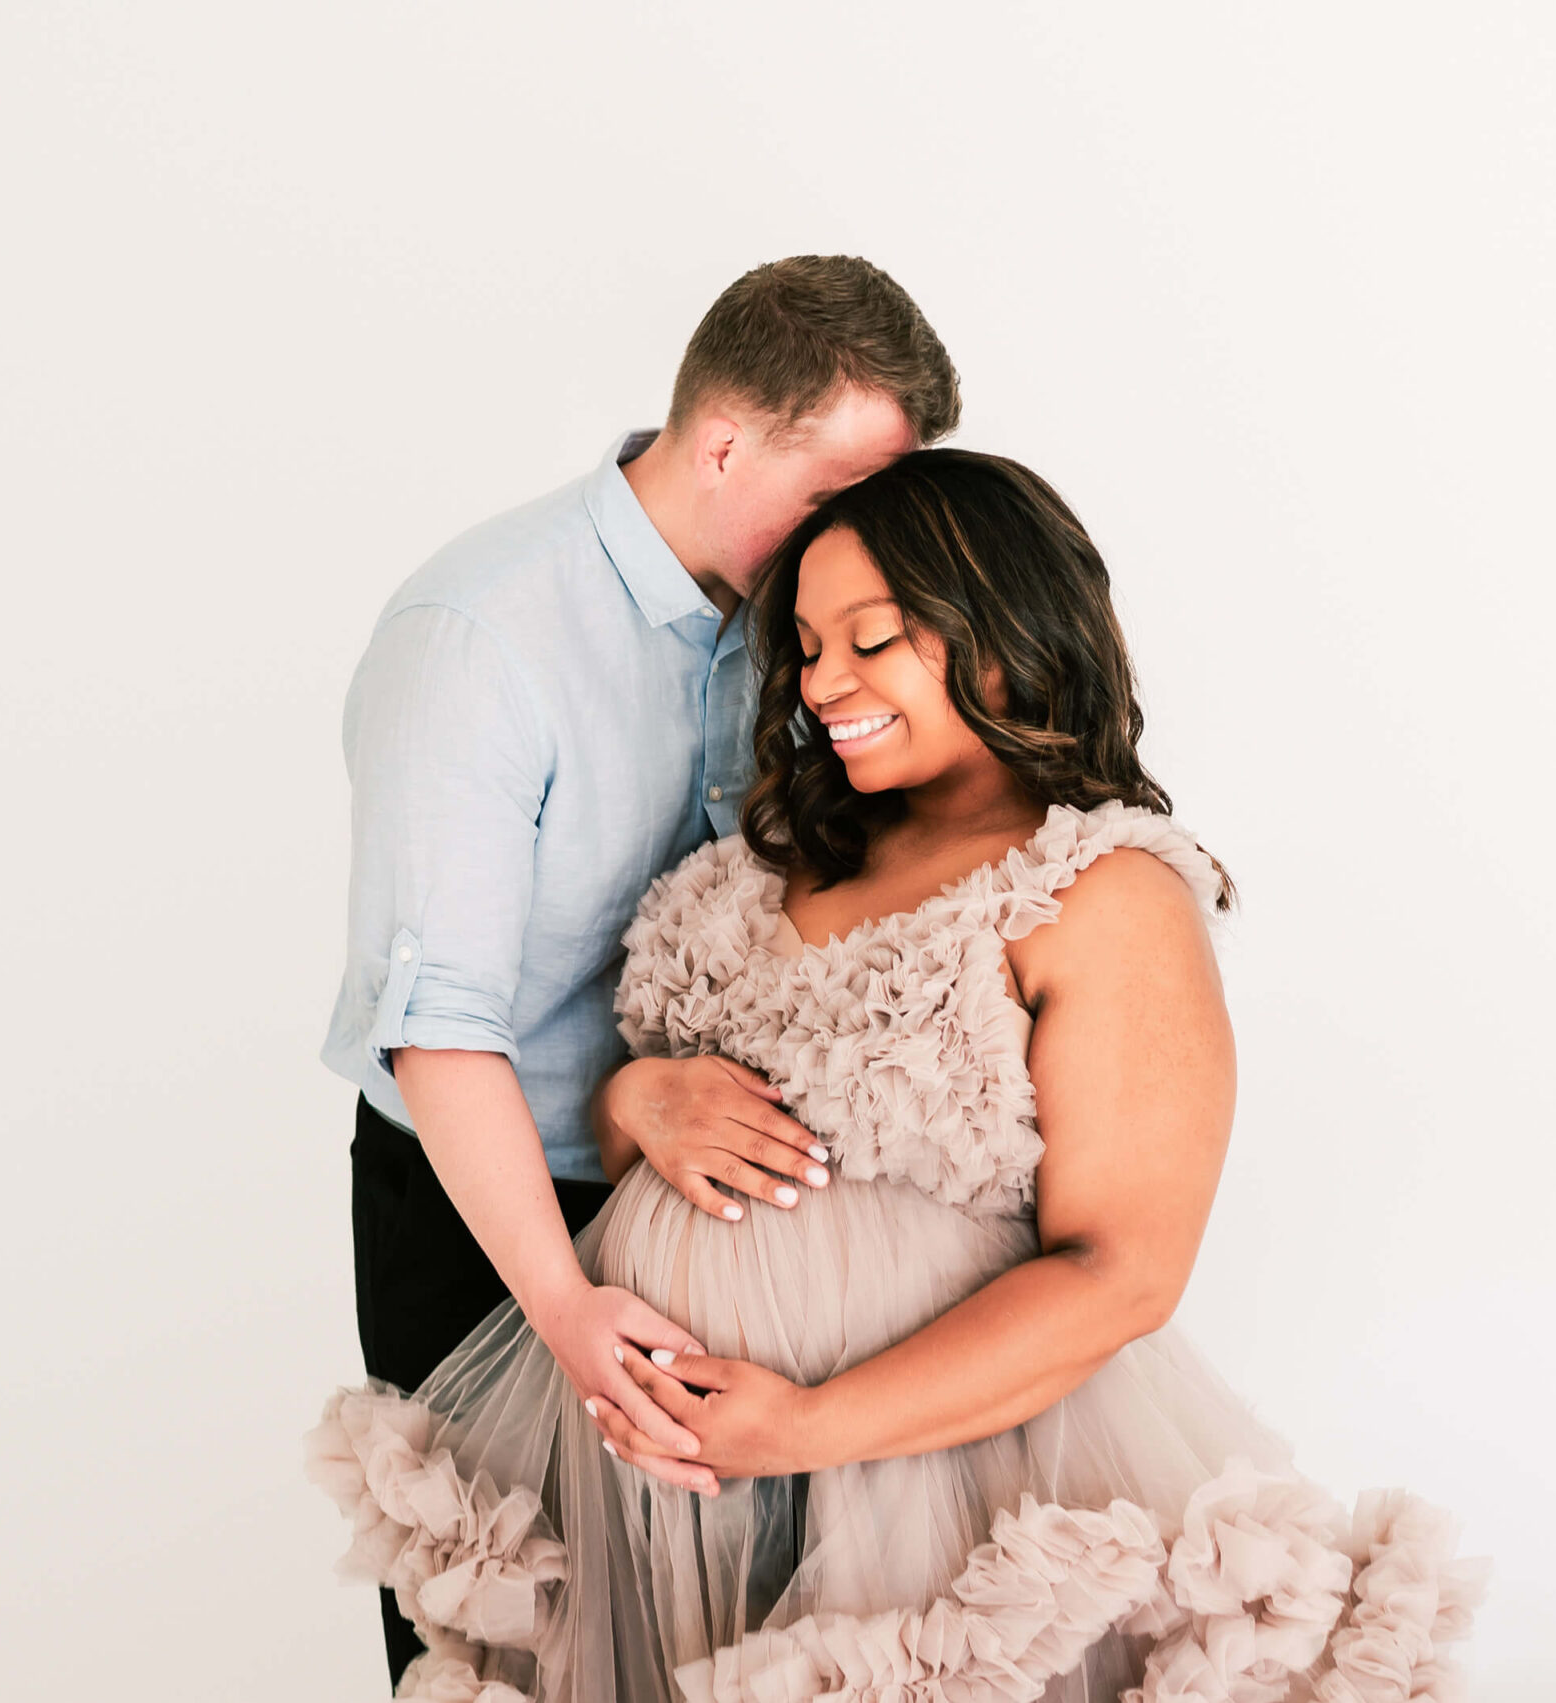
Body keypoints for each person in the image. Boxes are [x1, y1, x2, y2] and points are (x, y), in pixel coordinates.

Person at [308, 451, 1489, 1702]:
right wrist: (636, 1100)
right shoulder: (771, 853)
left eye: (870, 640)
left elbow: (1123, 1272)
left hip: (919, 1476)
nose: (822, 685)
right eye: (807, 646)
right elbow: (651, 1132)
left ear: (1003, 630)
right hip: (654, 1487)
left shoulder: (1102, 890)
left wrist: (805, 1428)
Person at [320, 255, 962, 1682]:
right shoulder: (480, 636)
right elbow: (443, 1033)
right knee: (509, 1636)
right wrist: (566, 1306)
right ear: (725, 440)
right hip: (504, 1212)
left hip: (752, 1214)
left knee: (732, 1653)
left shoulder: (802, 620)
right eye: (837, 495)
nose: (861, 541)